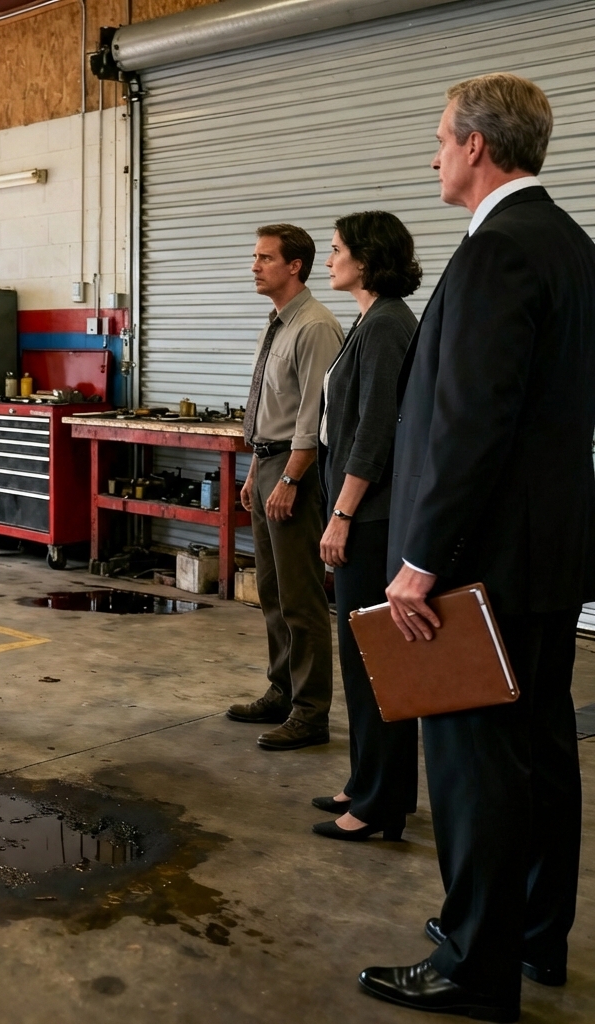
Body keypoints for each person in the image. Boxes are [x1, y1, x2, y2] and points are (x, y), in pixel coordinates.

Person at [358, 74, 595, 1023]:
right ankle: (530, 934)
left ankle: (472, 963)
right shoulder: (572, 247)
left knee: (473, 764)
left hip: (480, 562)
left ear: (479, 148)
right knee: (539, 748)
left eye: (441, 139)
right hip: (547, 558)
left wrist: (419, 557)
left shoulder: (498, 252)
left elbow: (470, 426)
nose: (433, 155)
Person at [311, 212, 421, 842]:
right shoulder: (371, 320)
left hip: (372, 520)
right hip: (363, 513)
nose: (330, 261)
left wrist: (343, 514)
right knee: (360, 659)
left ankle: (380, 804)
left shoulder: (385, 327)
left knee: (374, 660)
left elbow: (374, 432)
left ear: (367, 258)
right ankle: (367, 781)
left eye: (336, 251)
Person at [227, 225, 343, 750]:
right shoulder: (276, 324)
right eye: (255, 256)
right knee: (272, 591)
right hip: (269, 463)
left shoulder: (315, 326)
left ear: (295, 265)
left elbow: (315, 416)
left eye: (265, 257)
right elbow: (271, 408)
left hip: (297, 470)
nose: (255, 265)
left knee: (300, 597)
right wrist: (256, 469)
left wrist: (291, 478)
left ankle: (311, 712)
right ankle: (281, 689)